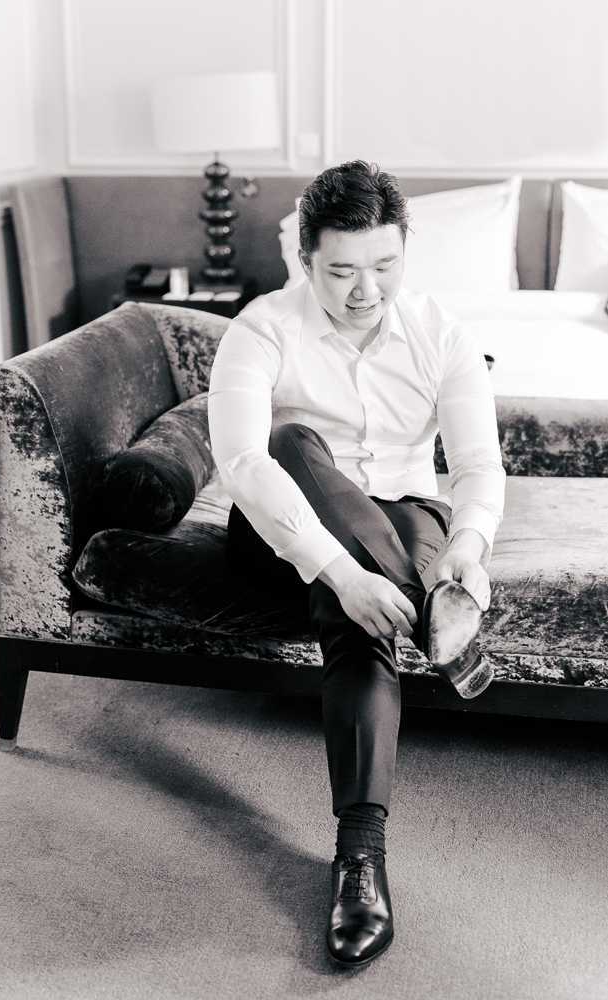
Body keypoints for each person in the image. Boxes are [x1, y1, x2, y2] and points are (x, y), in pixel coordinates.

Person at [207, 160, 505, 969]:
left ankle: (359, 857)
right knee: (284, 441)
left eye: (383, 266)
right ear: (304, 261)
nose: (364, 289)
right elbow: (241, 464)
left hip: (405, 517)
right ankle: (440, 621)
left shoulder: (441, 331)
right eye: (340, 270)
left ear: (405, 253)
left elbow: (477, 468)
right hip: (283, 536)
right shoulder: (261, 328)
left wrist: (466, 556)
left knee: (367, 609)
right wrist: (342, 571)